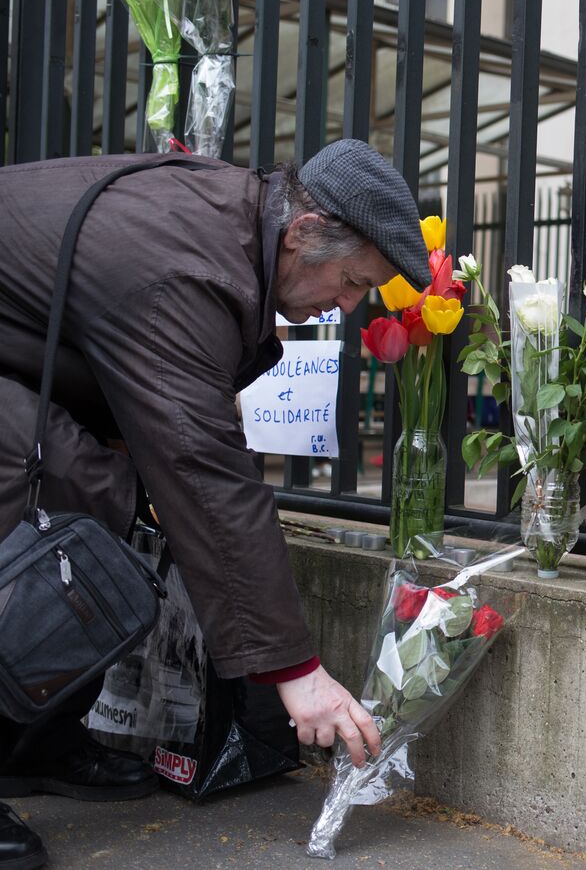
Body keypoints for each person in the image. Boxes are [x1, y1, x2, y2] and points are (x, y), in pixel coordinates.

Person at [0, 139, 429, 868]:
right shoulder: (187, 265)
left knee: (101, 494)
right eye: (354, 281)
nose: (350, 307)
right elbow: (205, 471)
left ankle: (30, 734)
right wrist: (300, 674)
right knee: (41, 473)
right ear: (303, 231)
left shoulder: (234, 227)